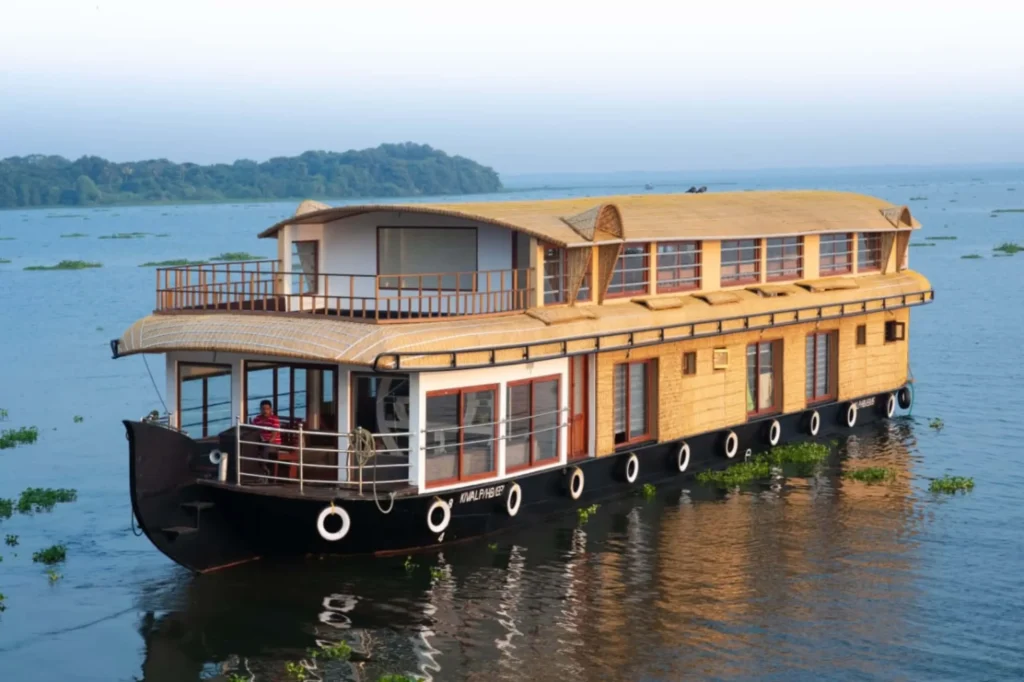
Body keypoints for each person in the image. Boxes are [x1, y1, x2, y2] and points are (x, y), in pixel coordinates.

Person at [251, 400, 281, 479]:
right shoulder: (257, 419)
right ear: (260, 409)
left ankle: (264, 469)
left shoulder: (274, 419)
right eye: (263, 409)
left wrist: (267, 442)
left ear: (271, 409)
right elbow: (253, 432)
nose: (265, 411)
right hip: (260, 441)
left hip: (273, 443)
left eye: (267, 409)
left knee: (265, 448)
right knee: (250, 448)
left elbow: (274, 435)